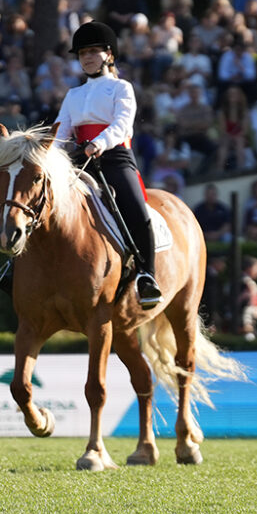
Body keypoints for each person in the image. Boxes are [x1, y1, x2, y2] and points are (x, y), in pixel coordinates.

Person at [37, 22, 162, 308]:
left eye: (93, 51)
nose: (87, 57)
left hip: (115, 158)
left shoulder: (121, 87)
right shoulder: (73, 95)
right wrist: (45, 154)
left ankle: (147, 275)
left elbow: (121, 124)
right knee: (39, 202)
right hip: (80, 162)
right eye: (82, 53)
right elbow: (61, 131)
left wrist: (99, 143)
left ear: (109, 55)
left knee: (136, 209)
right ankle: (16, 271)